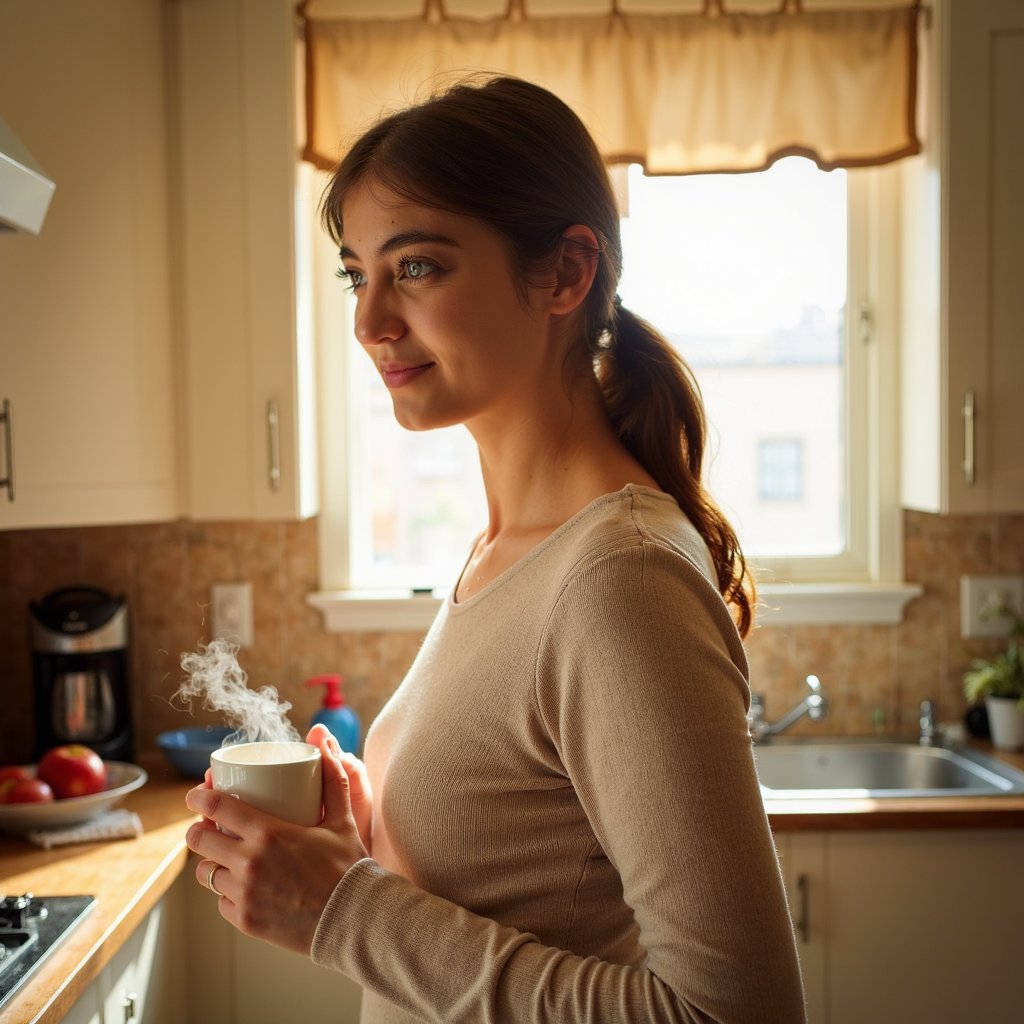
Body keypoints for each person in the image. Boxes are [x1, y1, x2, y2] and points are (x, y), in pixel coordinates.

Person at [185, 75, 807, 1023]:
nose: (369, 321)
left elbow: (732, 1012)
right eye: (359, 273)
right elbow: (519, 888)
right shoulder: (502, 550)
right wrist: (365, 844)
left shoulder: (618, 577)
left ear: (565, 273)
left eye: (419, 266)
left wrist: (345, 909)